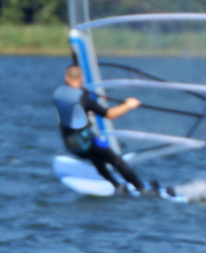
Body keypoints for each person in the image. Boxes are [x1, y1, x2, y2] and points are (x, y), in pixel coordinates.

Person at [55, 62, 149, 194]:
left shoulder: (58, 94)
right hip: (86, 143)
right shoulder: (85, 99)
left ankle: (117, 185)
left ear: (66, 78)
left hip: (71, 145)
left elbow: (73, 109)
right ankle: (142, 189)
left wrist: (87, 110)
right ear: (81, 79)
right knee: (117, 161)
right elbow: (109, 114)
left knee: (97, 159)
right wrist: (128, 105)